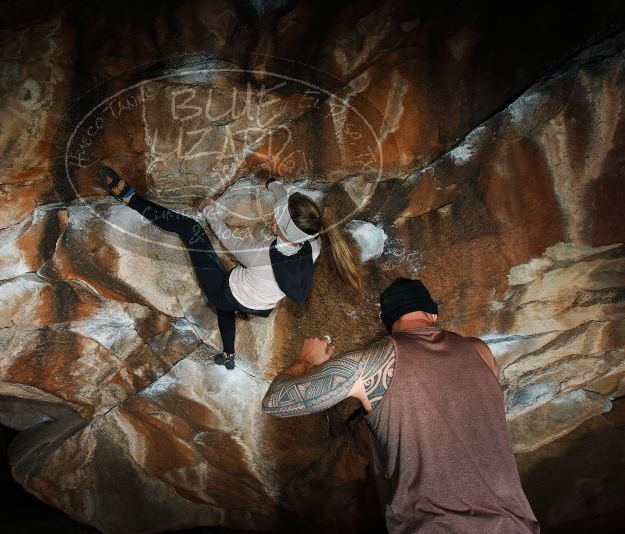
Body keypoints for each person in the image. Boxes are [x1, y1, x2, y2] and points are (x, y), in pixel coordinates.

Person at [262, 278, 540, 533]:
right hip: (515, 524)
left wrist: (306, 361)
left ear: (390, 323)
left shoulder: (374, 361)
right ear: (432, 314)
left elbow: (276, 402)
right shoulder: (481, 351)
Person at [99, 165, 361, 370]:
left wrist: (207, 209)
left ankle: (131, 199)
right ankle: (228, 355)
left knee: (191, 230)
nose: (271, 214)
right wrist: (275, 185)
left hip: (225, 290)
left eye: (274, 215)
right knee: (229, 307)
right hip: (260, 305)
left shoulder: (259, 255)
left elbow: (226, 237)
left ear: (276, 225)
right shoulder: (311, 244)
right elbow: (291, 207)